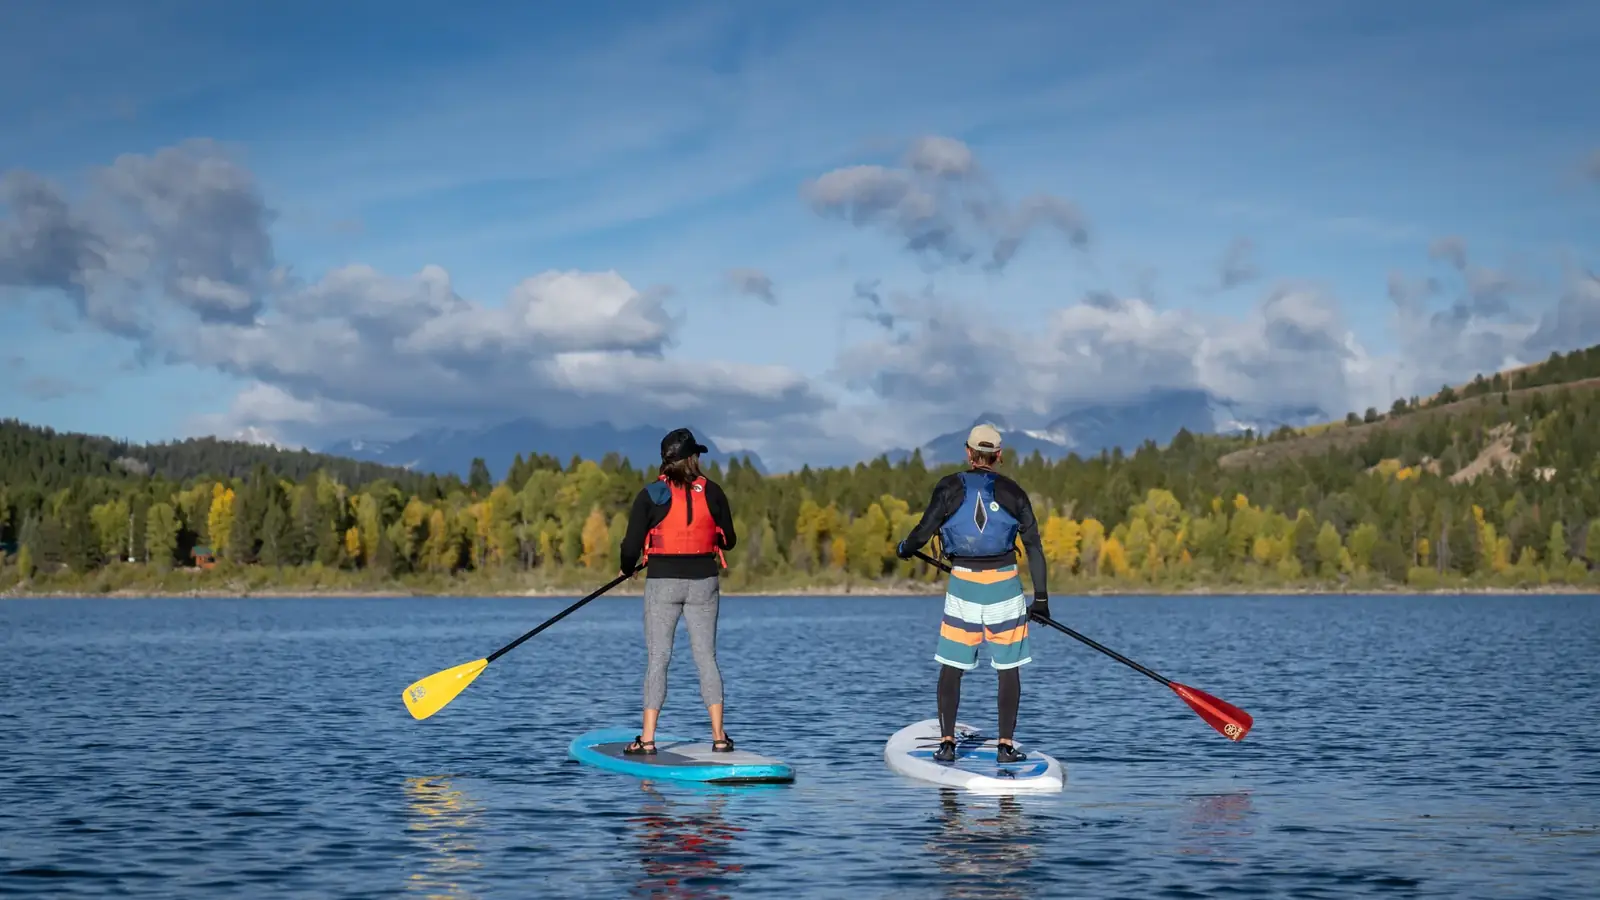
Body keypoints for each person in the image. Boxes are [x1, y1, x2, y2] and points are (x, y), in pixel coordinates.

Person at [895, 423, 1049, 764]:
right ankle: (1005, 747)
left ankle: (947, 744)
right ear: (998, 456)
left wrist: (905, 548)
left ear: (968, 453)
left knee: (952, 666)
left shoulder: (949, 487)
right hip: (1005, 586)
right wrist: (1041, 601)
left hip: (963, 584)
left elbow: (923, 532)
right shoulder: (1014, 492)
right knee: (1008, 669)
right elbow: (1034, 546)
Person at [617, 427, 738, 756]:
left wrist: (627, 568)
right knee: (706, 659)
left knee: (658, 659)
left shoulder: (651, 494)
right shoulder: (712, 492)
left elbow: (630, 547)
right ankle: (719, 737)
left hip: (662, 583)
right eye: (696, 454)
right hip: (704, 583)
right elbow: (728, 540)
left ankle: (648, 739)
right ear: (691, 459)